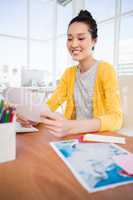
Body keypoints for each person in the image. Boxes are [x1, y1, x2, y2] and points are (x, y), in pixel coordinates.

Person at [17, 10, 123, 137]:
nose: (73, 44)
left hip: (99, 138)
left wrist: (72, 126)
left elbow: (116, 118)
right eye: (69, 38)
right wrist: (34, 118)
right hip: (72, 138)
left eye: (81, 38)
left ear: (94, 40)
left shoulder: (106, 69)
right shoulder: (69, 74)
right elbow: (51, 105)